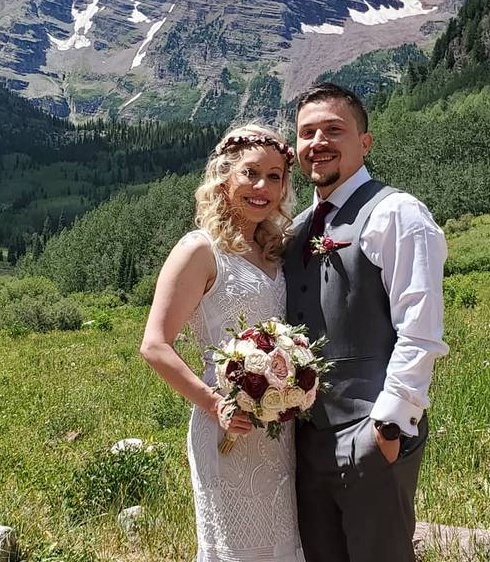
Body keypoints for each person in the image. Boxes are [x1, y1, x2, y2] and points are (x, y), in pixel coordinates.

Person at [284, 83, 448, 561]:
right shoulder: (297, 228)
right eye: (307, 132)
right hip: (307, 439)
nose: (319, 142)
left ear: (365, 142)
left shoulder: (397, 213)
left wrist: (388, 428)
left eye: (334, 129)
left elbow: (420, 327)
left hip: (371, 432)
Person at [140, 124, 306, 562]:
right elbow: (155, 344)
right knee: (237, 548)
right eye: (250, 173)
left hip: (279, 423)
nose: (262, 187)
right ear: (223, 176)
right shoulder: (200, 249)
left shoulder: (274, 249)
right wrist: (216, 404)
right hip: (226, 426)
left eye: (275, 177)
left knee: (284, 543)